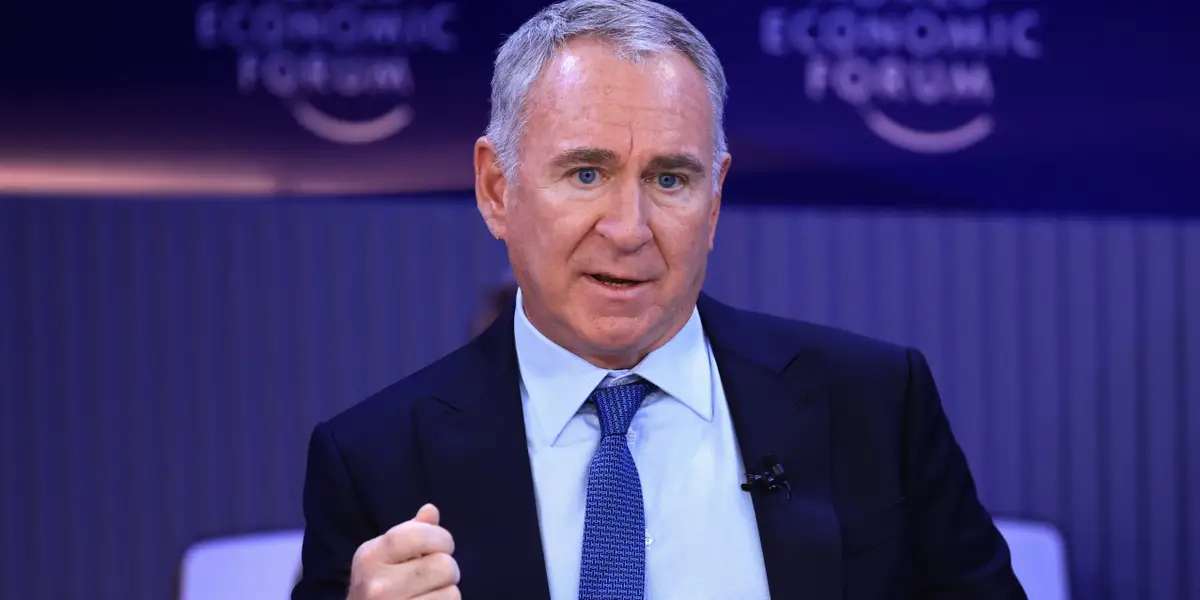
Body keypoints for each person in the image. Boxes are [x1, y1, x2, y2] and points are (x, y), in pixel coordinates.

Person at [291, 1, 1026, 599]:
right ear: (496, 189)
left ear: (715, 201)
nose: (628, 229)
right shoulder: (374, 462)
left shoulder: (874, 405)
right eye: (586, 174)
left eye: (670, 179)